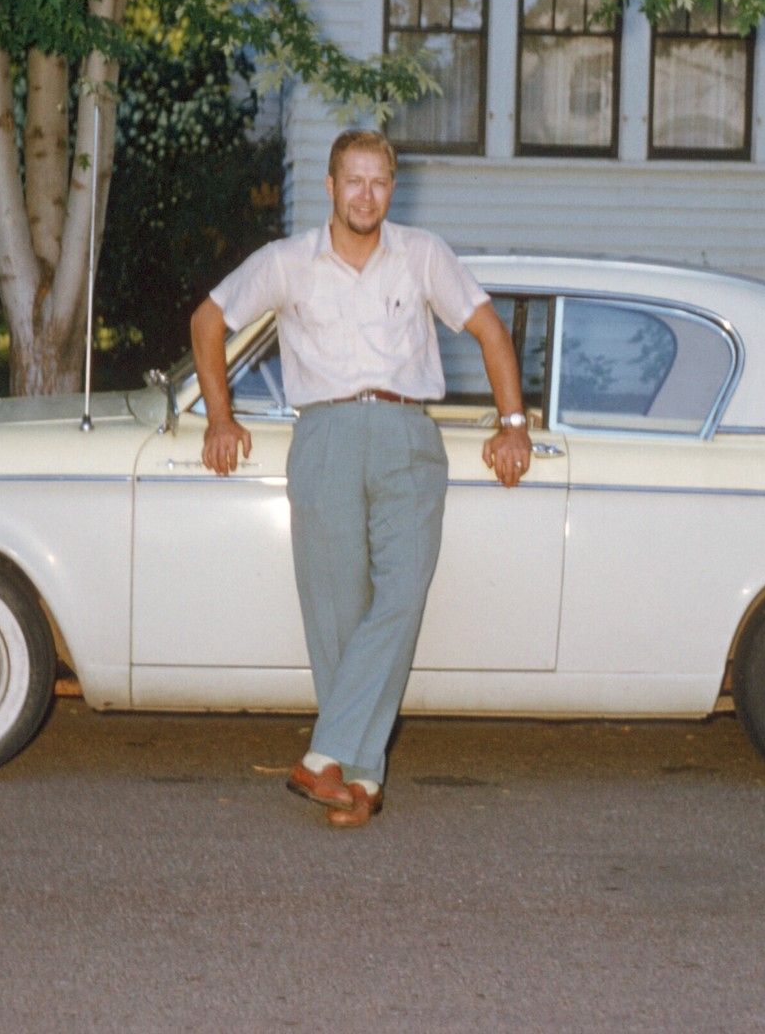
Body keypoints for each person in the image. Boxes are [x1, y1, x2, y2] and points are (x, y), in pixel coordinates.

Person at [190, 129, 533, 829]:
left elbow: (490, 330)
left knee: (402, 596)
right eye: (354, 181)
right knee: (336, 613)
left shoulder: (422, 255)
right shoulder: (289, 262)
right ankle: (361, 777)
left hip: (409, 435)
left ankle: (323, 758)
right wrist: (218, 418)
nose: (366, 195)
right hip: (325, 435)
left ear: (392, 189)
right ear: (330, 186)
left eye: (379, 182)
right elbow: (209, 318)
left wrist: (513, 424)